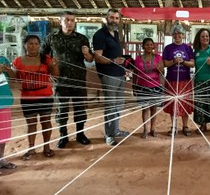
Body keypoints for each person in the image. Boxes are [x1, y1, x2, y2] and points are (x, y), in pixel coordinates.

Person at [42, 11, 93, 149]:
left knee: (80, 108)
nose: (69, 23)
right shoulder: (51, 38)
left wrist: (87, 53)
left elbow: (90, 59)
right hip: (60, 81)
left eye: (72, 20)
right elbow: (43, 56)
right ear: (60, 22)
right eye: (66, 20)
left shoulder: (82, 38)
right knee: (62, 109)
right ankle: (63, 136)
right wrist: (49, 70)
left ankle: (80, 134)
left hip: (78, 79)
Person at [13, 35, 60, 160]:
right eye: (30, 44)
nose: (33, 46)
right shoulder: (18, 61)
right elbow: (16, 79)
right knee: (31, 124)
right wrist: (8, 70)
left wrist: (54, 65)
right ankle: (31, 148)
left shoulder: (46, 59)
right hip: (27, 98)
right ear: (25, 45)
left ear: (39, 46)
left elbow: (55, 75)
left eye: (36, 44)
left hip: (45, 96)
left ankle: (46, 147)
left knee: (46, 123)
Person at [93, 8, 129, 146]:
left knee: (119, 105)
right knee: (110, 105)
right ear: (106, 18)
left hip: (119, 74)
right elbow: (98, 57)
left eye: (116, 18)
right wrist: (113, 61)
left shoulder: (115, 34)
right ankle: (109, 135)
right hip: (108, 75)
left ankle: (116, 130)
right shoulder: (100, 35)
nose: (114, 20)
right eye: (112, 18)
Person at [162, 23, 194, 136]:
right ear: (172, 35)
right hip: (171, 80)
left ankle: (185, 126)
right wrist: (173, 61)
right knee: (173, 103)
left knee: (185, 103)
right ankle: (173, 126)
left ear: (183, 35)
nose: (177, 35)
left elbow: (192, 64)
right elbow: (165, 63)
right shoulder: (168, 48)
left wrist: (183, 62)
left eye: (179, 33)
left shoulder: (188, 48)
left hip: (185, 80)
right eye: (175, 33)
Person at [132, 38, 164, 139]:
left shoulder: (159, 57)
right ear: (143, 46)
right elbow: (135, 73)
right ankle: (145, 129)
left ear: (154, 46)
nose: (149, 46)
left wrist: (160, 69)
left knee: (154, 109)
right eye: (147, 44)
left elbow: (162, 73)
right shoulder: (137, 58)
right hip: (142, 86)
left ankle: (153, 129)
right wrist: (134, 86)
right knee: (144, 109)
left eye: (151, 44)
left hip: (155, 86)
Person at [193, 28, 210, 134]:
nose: (205, 38)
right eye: (203, 36)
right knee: (200, 104)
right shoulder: (196, 51)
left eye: (207, 36)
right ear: (199, 39)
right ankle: (202, 125)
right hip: (199, 81)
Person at [0, 56, 17, 173]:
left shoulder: (2, 59)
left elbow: (13, 79)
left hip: (4, 103)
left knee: (3, 136)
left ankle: (1, 159)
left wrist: (8, 70)